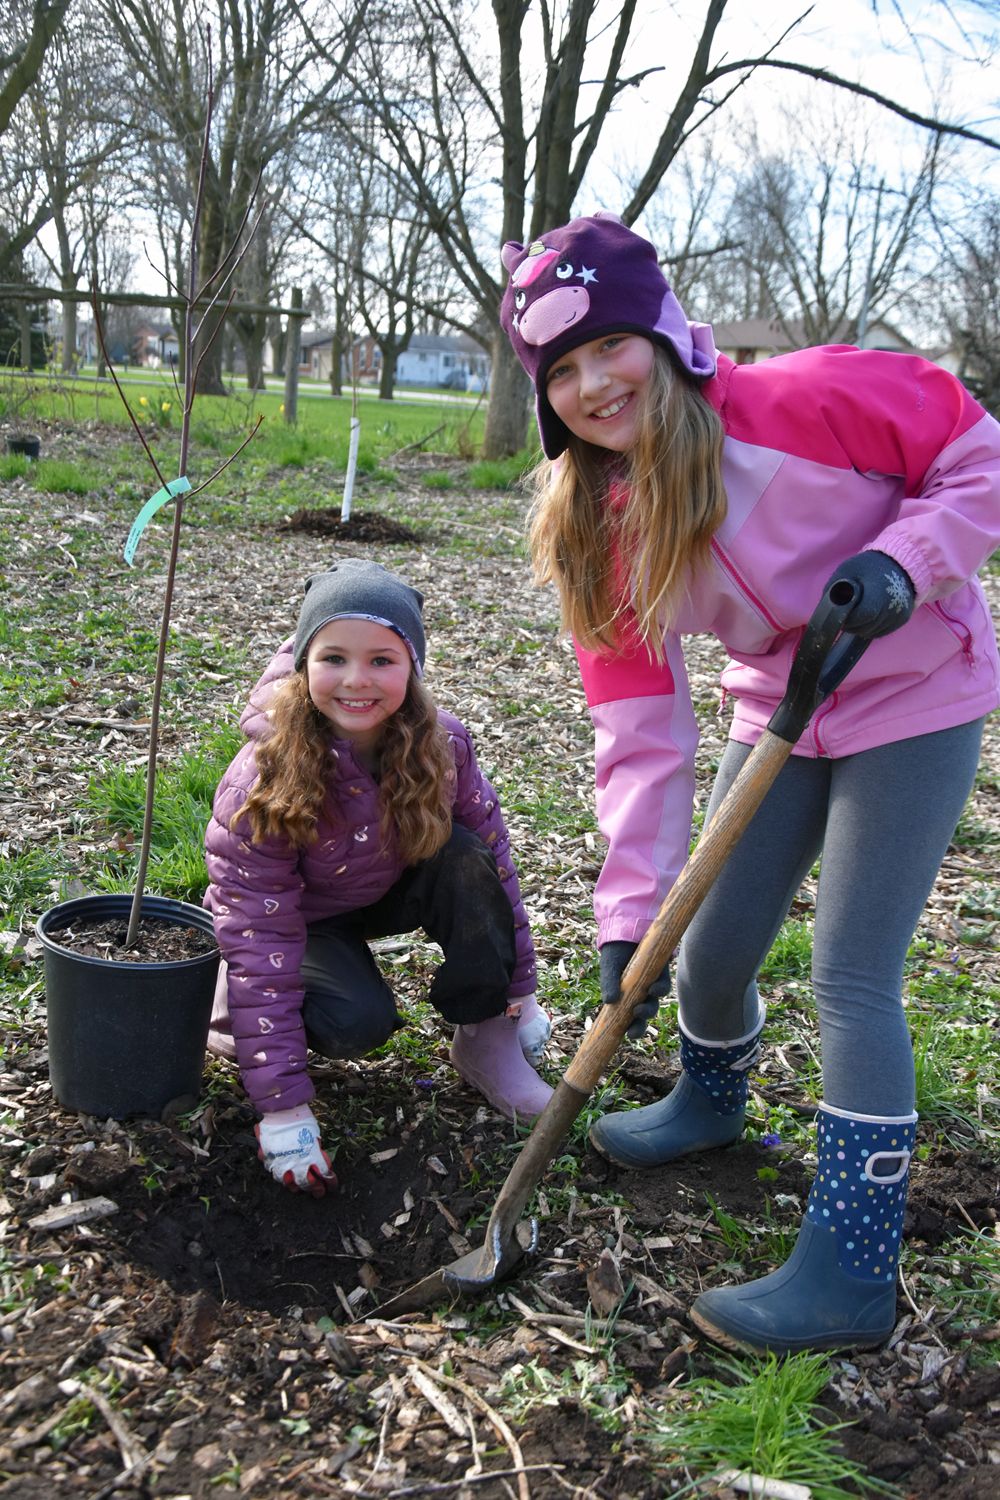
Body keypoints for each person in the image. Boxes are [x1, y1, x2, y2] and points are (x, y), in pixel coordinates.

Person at [499, 212, 1000, 1355]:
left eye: (606, 346)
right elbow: (636, 727)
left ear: (663, 334)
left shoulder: (807, 401)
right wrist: (631, 918)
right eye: (560, 371)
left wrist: (906, 564)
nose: (591, 384)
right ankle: (707, 1102)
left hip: (912, 691)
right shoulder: (599, 525)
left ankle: (851, 1269)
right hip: (779, 707)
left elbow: (978, 455)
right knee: (706, 950)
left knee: (851, 975)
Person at [204, 560, 553, 1196]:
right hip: (302, 918)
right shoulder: (262, 776)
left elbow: (497, 865)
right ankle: (232, 1004)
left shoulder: (442, 746)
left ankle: (483, 1038)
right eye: (334, 657)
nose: (356, 681)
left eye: (382, 661)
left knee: (466, 858)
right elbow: (261, 927)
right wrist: (282, 1107)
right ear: (303, 661)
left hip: (385, 884)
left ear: (412, 667)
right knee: (356, 1024)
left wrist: (518, 989)